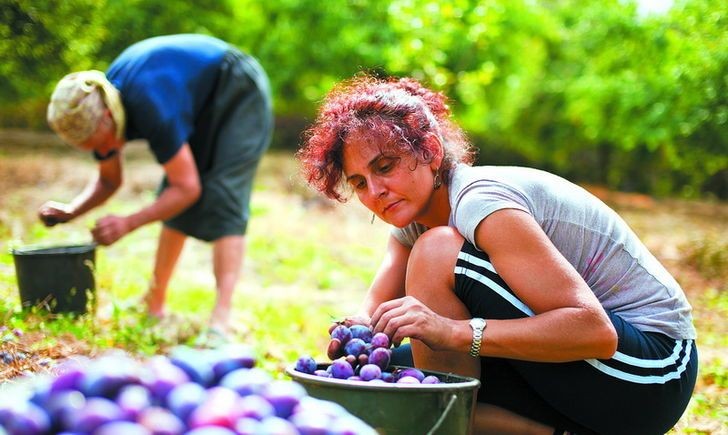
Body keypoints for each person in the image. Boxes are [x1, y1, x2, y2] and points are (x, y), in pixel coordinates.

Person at [297, 74, 697, 435]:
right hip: (579, 381)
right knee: (384, 384)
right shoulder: (410, 218)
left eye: (385, 166)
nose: (375, 191)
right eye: (359, 183)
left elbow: (594, 332)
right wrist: (358, 333)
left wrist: (451, 332)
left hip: (650, 374)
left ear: (431, 151)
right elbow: (373, 314)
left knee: (436, 256)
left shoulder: (480, 202)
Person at [40, 34, 274, 335]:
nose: (102, 151)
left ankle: (221, 319)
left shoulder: (151, 107)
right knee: (171, 195)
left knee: (223, 194)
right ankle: (154, 301)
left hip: (237, 87)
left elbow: (188, 189)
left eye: (99, 144)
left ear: (108, 118)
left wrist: (128, 223)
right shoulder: (99, 101)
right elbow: (110, 180)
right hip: (199, 98)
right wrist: (71, 211)